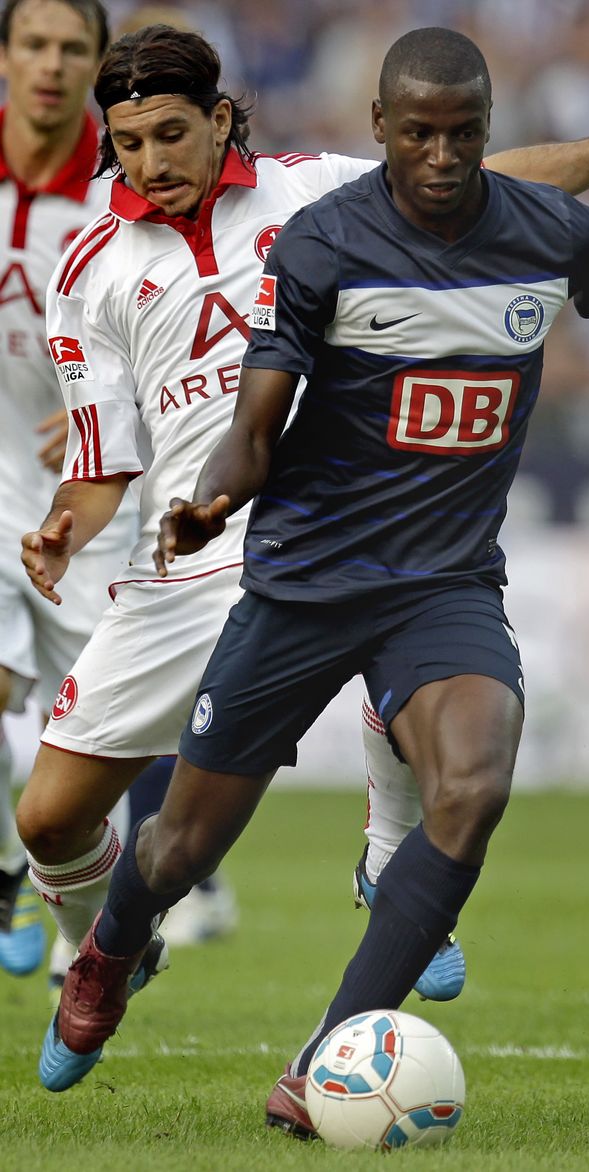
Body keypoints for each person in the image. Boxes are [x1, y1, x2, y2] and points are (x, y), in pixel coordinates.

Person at [16, 22, 589, 1090]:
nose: (151, 161)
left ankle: (364, 930)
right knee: (91, 827)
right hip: (224, 543)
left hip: (384, 539)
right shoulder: (93, 269)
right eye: (128, 143)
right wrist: (76, 521)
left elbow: (496, 181)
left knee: (461, 753)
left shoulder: (313, 192)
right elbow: (111, 459)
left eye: (171, 134)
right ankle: (111, 948)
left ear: (221, 119)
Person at [0, 0, 231, 990]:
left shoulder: (120, 196)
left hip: (84, 501)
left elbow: (167, 329)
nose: (50, 66)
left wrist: (114, 405)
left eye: (70, 49)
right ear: (5, 56)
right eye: (33, 44)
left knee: (93, 744)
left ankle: (83, 934)